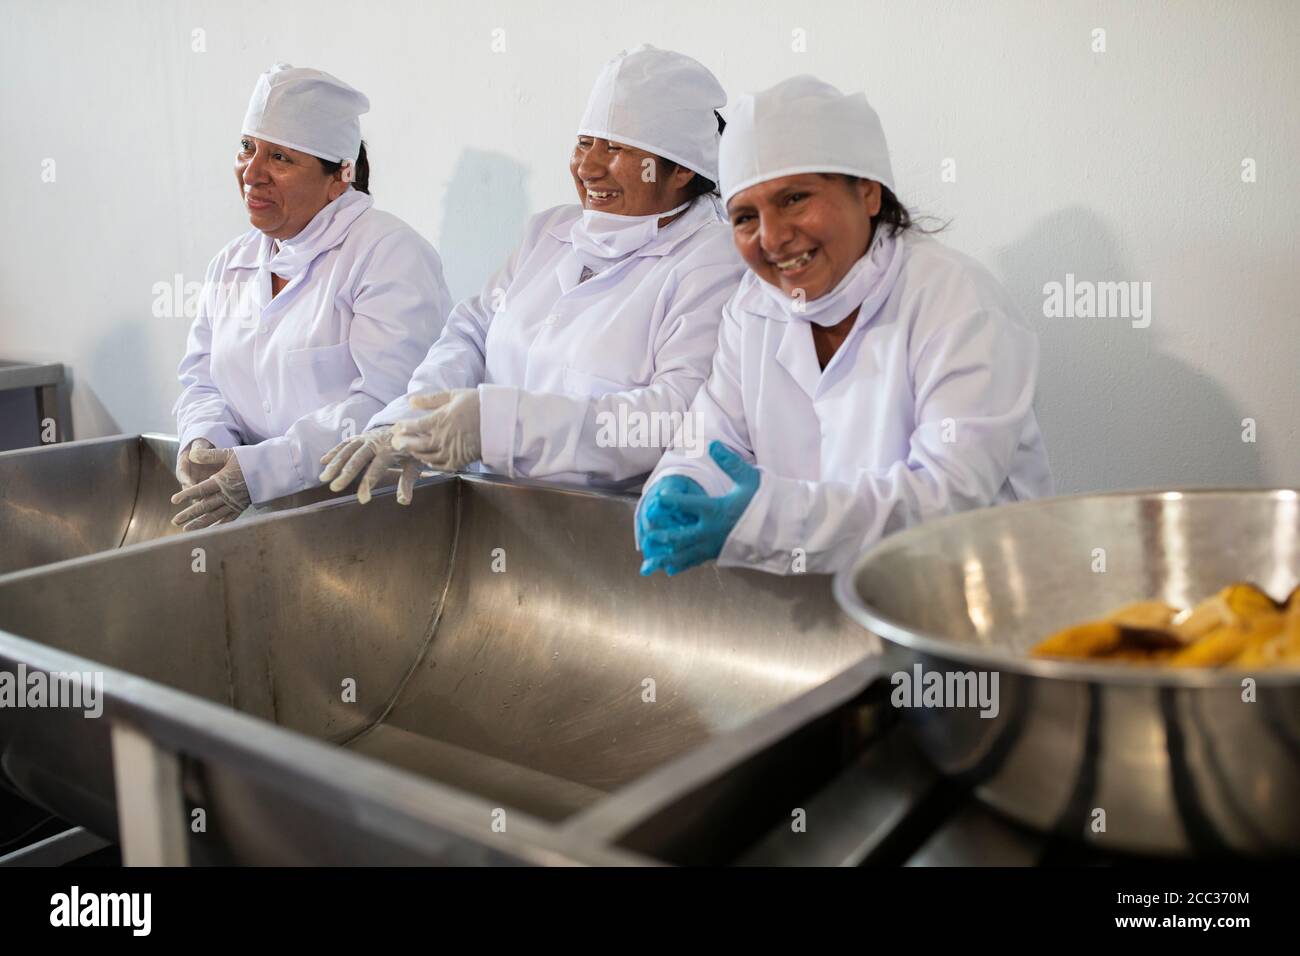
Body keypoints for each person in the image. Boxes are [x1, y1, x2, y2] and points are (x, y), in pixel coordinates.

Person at [637, 76, 1053, 576]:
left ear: (869, 192)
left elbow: (947, 499)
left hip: (967, 607)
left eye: (794, 199)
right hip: (826, 604)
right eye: (745, 216)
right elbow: (711, 437)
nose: (772, 237)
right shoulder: (752, 310)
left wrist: (770, 519)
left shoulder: (956, 300)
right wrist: (679, 483)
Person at [319, 45, 743, 502]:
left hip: (613, 533)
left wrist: (497, 426)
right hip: (498, 513)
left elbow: (668, 417)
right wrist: (409, 420)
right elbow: (472, 333)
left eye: (615, 149)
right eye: (584, 142)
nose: (588, 167)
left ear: (681, 169)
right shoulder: (550, 231)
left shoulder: (715, 261)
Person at [170, 64, 452, 529]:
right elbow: (202, 381)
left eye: (280, 158)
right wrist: (202, 439)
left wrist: (263, 471)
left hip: (373, 520)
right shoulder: (232, 262)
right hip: (266, 520)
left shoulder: (389, 254)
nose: (252, 172)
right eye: (247, 147)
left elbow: (390, 402)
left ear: (339, 175)